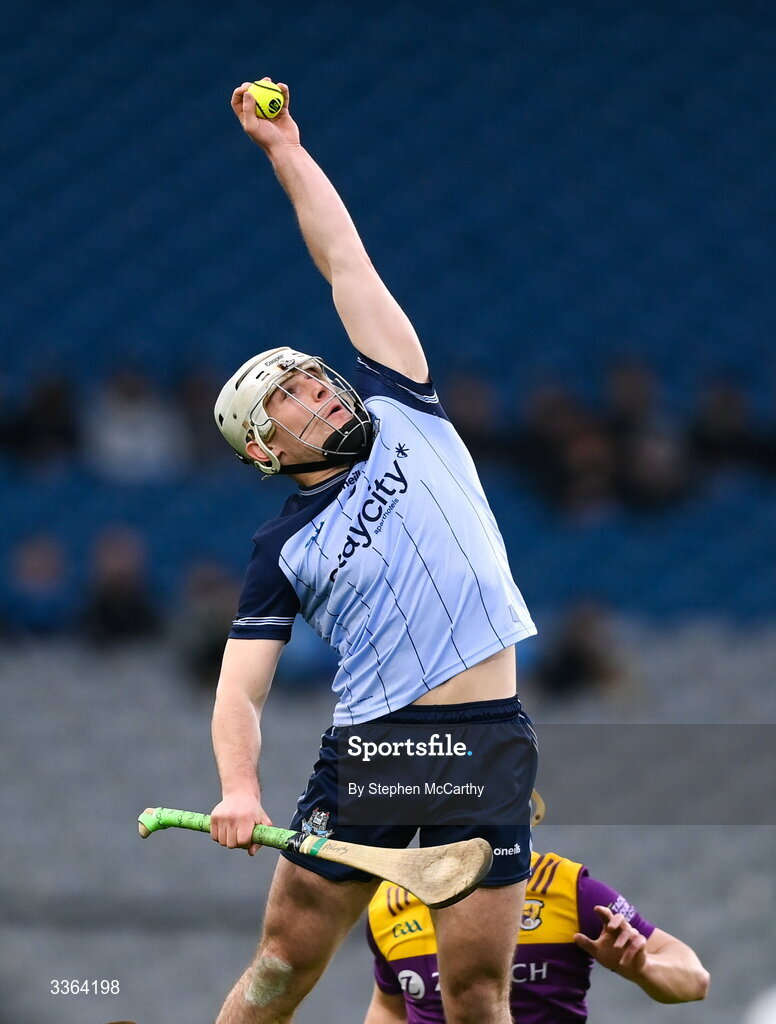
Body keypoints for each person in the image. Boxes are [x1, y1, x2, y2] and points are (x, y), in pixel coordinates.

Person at [207, 79, 539, 1024]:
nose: (323, 394)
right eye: (295, 401)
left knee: (475, 993)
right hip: (378, 753)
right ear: (265, 451)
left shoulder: (404, 407)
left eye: (316, 379)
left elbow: (343, 258)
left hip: (487, 745)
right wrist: (239, 787)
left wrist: (285, 152)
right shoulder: (282, 545)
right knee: (282, 967)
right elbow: (241, 686)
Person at [364, 849, 710, 1023]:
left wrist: (643, 966)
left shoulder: (569, 890)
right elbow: (389, 1008)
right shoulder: (390, 904)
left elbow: (695, 981)